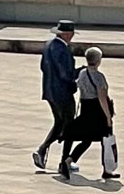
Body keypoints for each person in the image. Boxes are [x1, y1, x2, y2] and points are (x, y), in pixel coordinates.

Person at [63, 45, 118, 180]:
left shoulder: (82, 73)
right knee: (105, 139)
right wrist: (108, 117)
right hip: (97, 111)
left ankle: (68, 160)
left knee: (86, 139)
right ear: (99, 60)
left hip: (85, 109)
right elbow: (102, 98)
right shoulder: (99, 77)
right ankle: (107, 169)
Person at [34, 20, 78, 178]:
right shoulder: (62, 49)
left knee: (60, 123)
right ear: (67, 34)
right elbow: (65, 74)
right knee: (69, 126)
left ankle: (43, 151)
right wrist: (78, 75)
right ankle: (63, 161)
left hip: (50, 91)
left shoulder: (49, 45)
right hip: (62, 93)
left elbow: (43, 67)